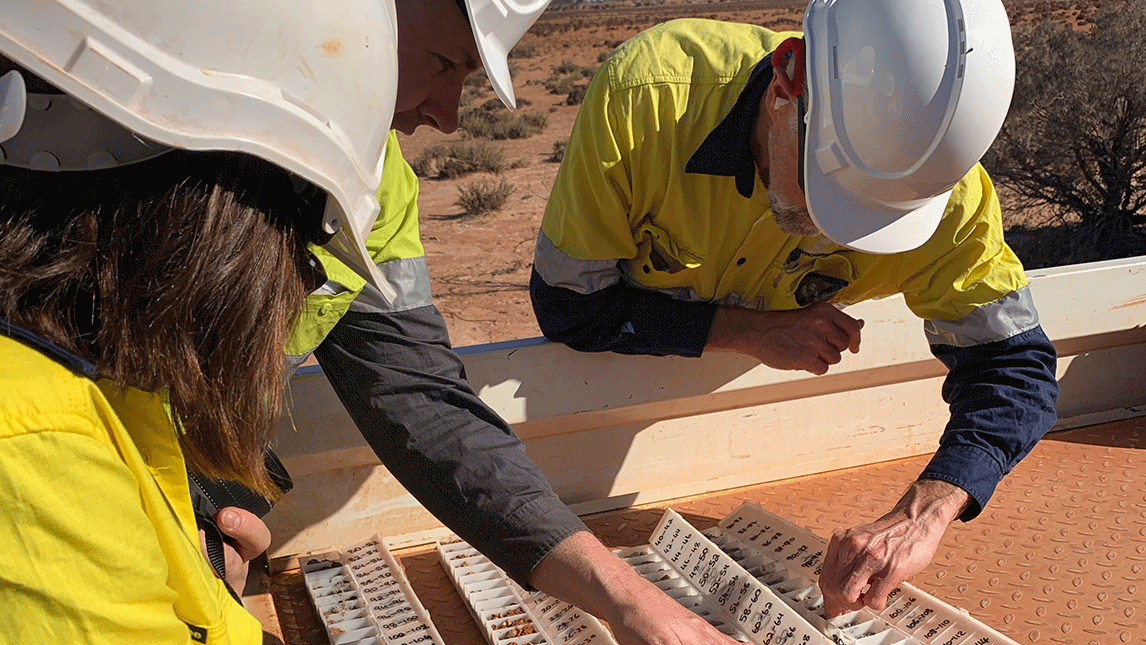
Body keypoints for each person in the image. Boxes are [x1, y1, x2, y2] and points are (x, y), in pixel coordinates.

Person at [529, 0, 1059, 620]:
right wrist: (750, 331)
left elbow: (1015, 367)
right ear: (785, 84)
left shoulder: (945, 197)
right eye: (831, 197)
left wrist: (924, 514)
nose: (840, 239)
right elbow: (569, 306)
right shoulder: (646, 100)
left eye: (880, 223)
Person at [263, 1, 740, 643]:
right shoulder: (143, 125)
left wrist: (628, 600)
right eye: (442, 63)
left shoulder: (382, 190)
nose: (447, 115)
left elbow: (423, 402)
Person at [0, 0, 401, 641]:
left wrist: (205, 576)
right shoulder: (33, 443)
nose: (296, 280)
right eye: (299, 239)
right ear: (219, 215)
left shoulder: (100, 369)